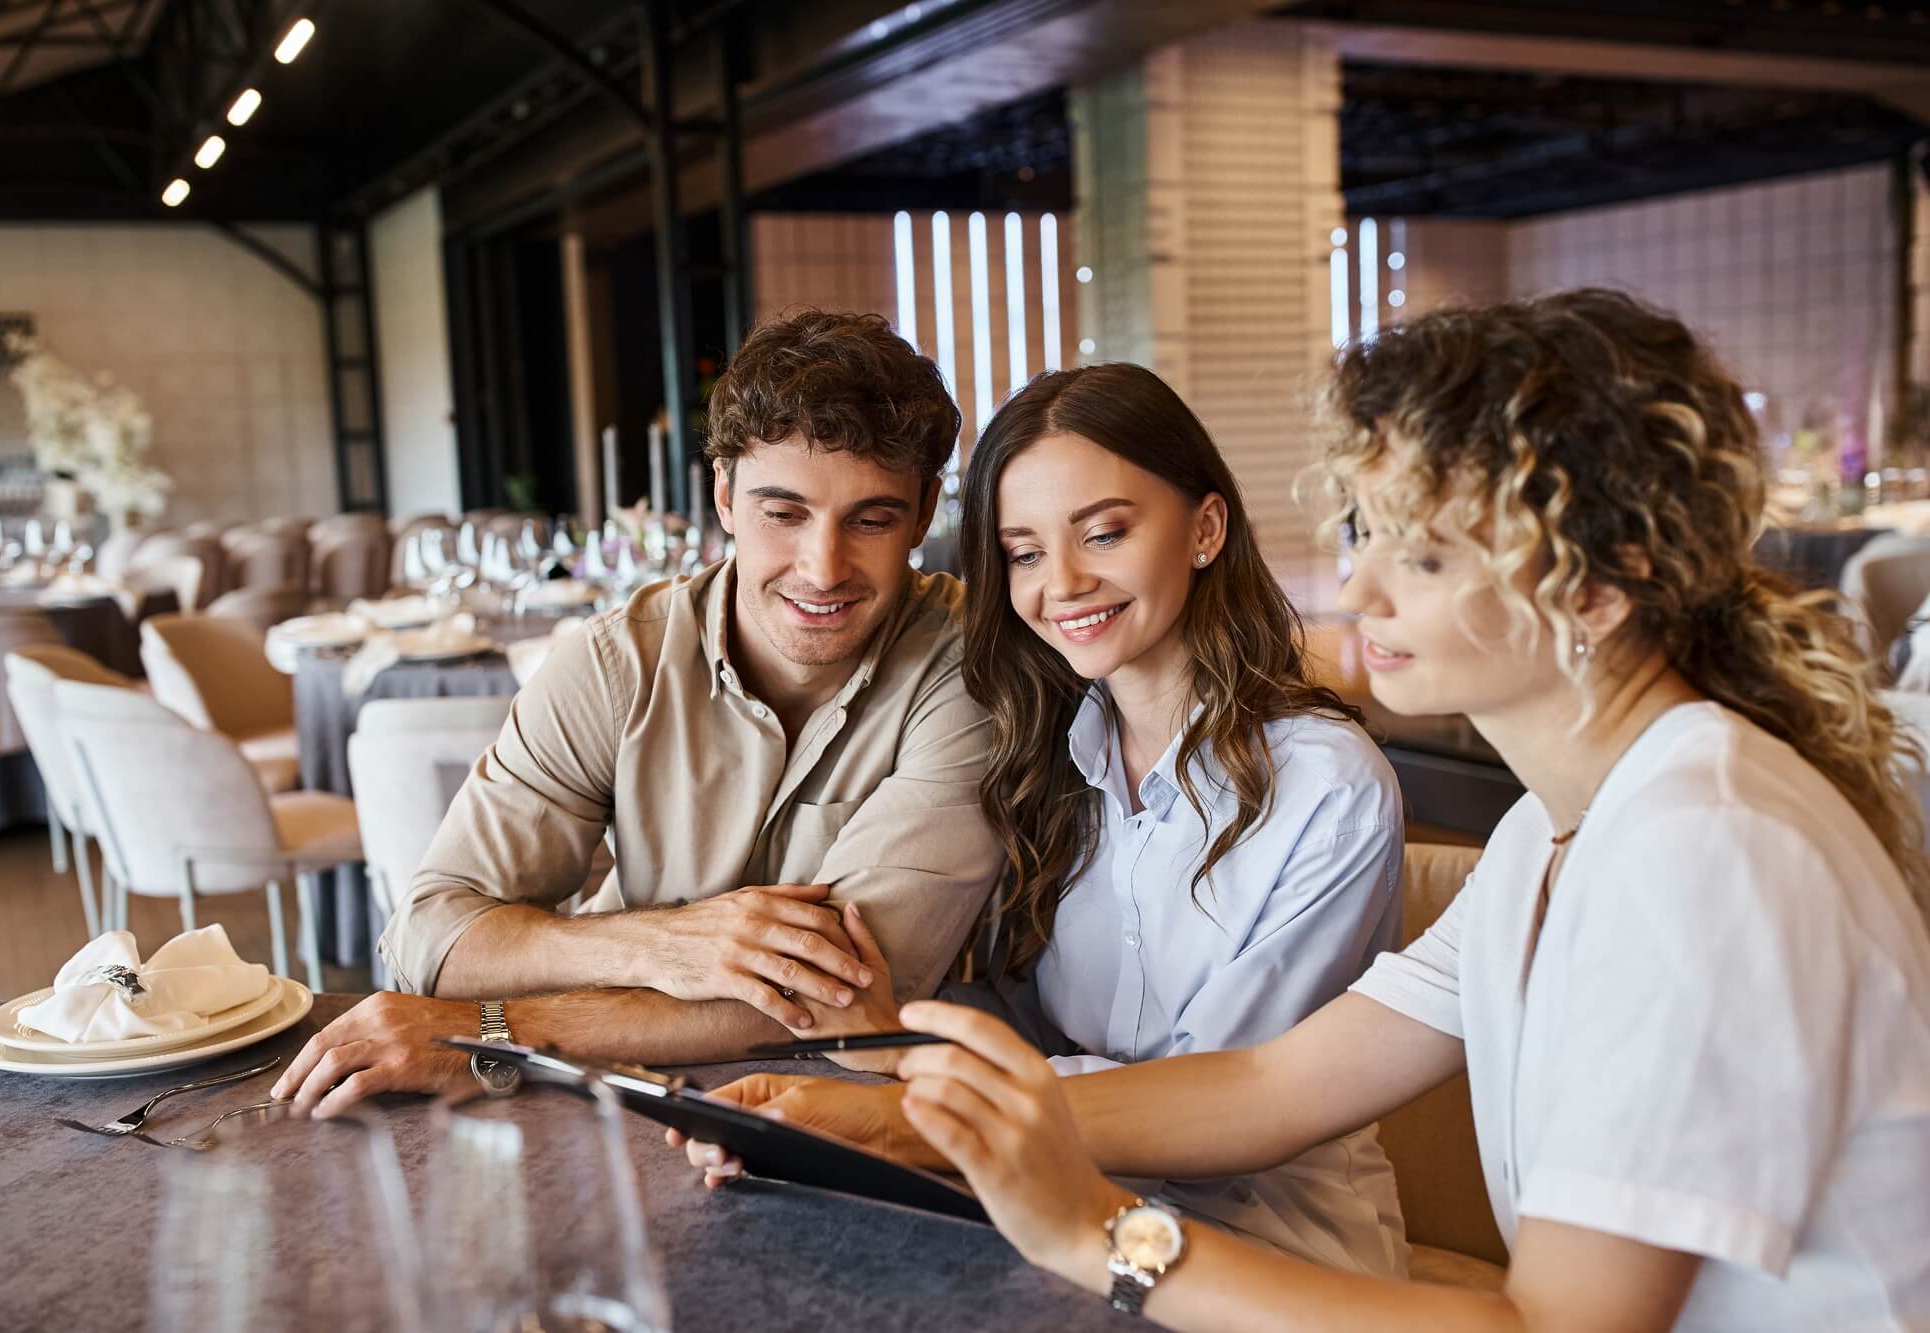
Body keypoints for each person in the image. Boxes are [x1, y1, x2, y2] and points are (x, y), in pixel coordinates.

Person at [679, 290, 1930, 1329]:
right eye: (1364, 532)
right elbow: (1273, 1084)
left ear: (1604, 587)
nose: (1362, 584)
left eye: (1424, 553)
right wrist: (894, 1112)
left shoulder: (1696, 847)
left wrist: (1095, 1228)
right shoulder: (1562, 828)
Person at [687, 362, 1412, 1274]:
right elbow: (1040, 1018)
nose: (1061, 583)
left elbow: (1226, 1103)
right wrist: (894, 1020)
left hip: (1274, 1259)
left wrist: (907, 1098)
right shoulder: (1059, 753)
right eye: (1024, 552)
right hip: (1064, 1215)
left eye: (1103, 533)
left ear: (1205, 528)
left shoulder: (1327, 788)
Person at [272, 310, 1005, 1116]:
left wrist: (491, 1038)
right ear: (723, 494)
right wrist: (666, 943)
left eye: (871, 519)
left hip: (850, 1125)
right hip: (607, 1110)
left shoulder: (970, 671)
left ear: (927, 506)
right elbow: (428, 941)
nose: (822, 568)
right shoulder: (618, 660)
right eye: (783, 513)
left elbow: (840, 1002)